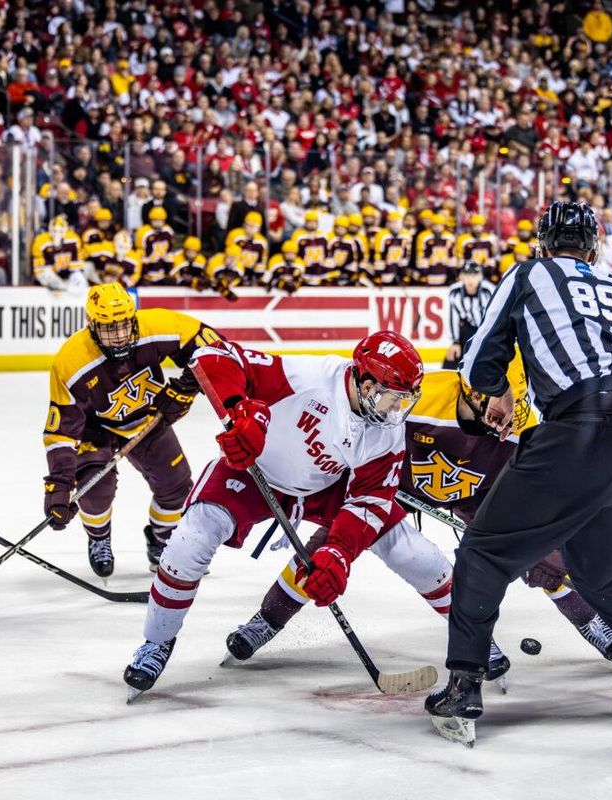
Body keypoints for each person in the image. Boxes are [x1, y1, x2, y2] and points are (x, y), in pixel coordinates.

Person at [425, 201, 612, 747]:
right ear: (594, 248)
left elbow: (480, 358)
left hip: (579, 432)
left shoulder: (530, 274)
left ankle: (463, 686)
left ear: (543, 245)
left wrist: (503, 393)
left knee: (483, 552)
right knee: (595, 562)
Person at [224, 358, 612, 680]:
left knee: (538, 550)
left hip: (478, 492)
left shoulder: (523, 426)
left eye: (511, 413)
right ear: (471, 391)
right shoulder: (422, 396)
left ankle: (592, 622)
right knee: (332, 546)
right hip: (396, 481)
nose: (501, 422)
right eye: (494, 412)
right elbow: (360, 437)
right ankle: (267, 619)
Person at [122, 331, 424, 699]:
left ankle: (267, 621)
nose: (397, 409)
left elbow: (371, 498)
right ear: (366, 382)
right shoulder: (308, 377)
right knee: (190, 540)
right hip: (253, 472)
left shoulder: (386, 430)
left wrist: (339, 553)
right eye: (394, 397)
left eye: (404, 399)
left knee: (400, 548)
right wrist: (240, 412)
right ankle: (157, 642)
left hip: (321, 487)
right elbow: (214, 355)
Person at [42, 284, 219, 578]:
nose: (120, 335)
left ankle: (162, 542)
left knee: (176, 488)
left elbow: (212, 346)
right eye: (109, 328)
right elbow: (61, 430)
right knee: (95, 490)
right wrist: (59, 484)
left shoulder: (158, 325)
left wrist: (186, 388)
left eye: (124, 325)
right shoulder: (71, 361)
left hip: (145, 419)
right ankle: (99, 538)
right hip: (93, 430)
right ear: (92, 325)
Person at [443, 260, 495, 369]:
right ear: (462, 276)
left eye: (474, 275)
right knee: (450, 361)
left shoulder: (489, 290)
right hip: (468, 330)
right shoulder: (455, 292)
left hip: (487, 331)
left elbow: (495, 317)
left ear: (480, 277)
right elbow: (452, 317)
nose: (470, 279)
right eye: (467, 275)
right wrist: (455, 342)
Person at [31, 215, 90, 293]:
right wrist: (54, 268)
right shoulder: (41, 241)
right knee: (46, 275)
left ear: (65, 230)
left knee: (81, 279)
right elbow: (38, 270)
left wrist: (67, 265)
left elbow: (79, 263)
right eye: (55, 231)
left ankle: (77, 301)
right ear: (50, 230)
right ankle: (61, 289)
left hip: (68, 273)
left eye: (60, 231)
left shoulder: (73, 239)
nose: (57, 234)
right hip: (50, 273)